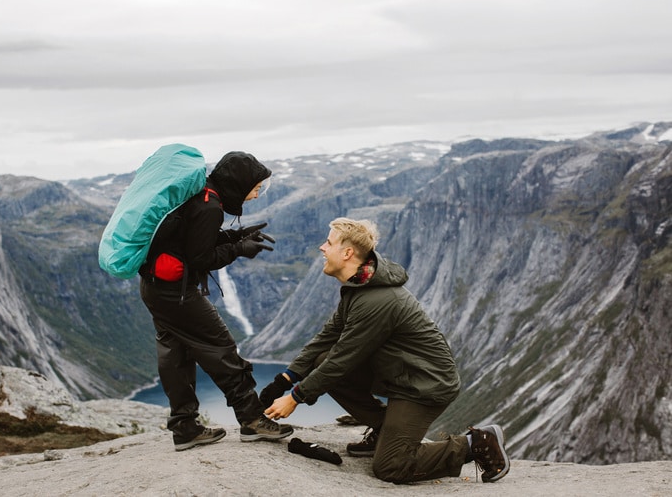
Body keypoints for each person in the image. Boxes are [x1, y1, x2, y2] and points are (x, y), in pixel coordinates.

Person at [260, 217, 509, 483]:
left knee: (390, 467)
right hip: (402, 374)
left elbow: (342, 359)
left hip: (425, 386)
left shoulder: (375, 301)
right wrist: (284, 379)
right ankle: (384, 429)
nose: (322, 248)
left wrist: (295, 397)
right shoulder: (359, 287)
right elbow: (327, 337)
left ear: (347, 253)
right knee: (321, 360)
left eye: (328, 242)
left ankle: (477, 443)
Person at [139, 151, 293, 451]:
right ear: (239, 182)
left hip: (156, 288)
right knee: (221, 348)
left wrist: (236, 236)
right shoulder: (211, 206)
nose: (257, 193)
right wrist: (239, 249)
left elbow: (191, 239)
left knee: (177, 357)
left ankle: (185, 427)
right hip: (177, 295)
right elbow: (200, 257)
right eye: (256, 186)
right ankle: (251, 419)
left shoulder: (202, 195)